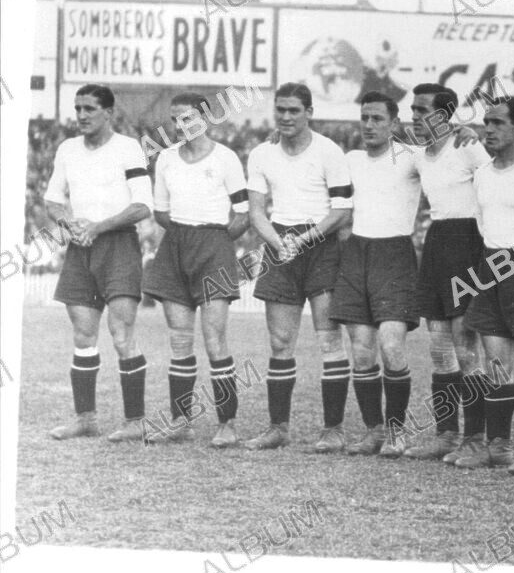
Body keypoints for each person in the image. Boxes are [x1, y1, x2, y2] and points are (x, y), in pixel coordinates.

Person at [244, 82, 354, 451]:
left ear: (309, 112)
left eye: (294, 110)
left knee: (328, 339)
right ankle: (279, 427)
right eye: (281, 110)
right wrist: (278, 243)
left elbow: (341, 210)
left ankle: (334, 430)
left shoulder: (329, 151)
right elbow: (256, 211)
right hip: (280, 244)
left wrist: (303, 240)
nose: (286, 117)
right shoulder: (261, 154)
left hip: (320, 244)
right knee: (280, 341)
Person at [45, 84, 153, 442]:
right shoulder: (67, 149)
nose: (82, 115)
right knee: (83, 334)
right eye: (78, 108)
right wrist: (68, 222)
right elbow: (53, 200)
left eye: (90, 108)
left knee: (122, 335)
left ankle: (135, 421)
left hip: (118, 245)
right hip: (80, 247)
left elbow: (142, 206)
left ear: (109, 112)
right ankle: (85, 418)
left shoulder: (128, 147)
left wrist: (99, 225)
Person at [142, 93, 250, 447]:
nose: (181, 126)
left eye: (188, 118)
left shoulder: (226, 158)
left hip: (214, 246)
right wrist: (185, 234)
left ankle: (227, 424)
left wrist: (215, 240)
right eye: (175, 120)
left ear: (205, 118)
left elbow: (243, 215)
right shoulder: (167, 159)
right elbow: (160, 211)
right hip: (175, 244)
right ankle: (181, 421)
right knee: (179, 339)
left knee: (215, 337)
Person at [401, 84, 492, 462]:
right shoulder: (419, 155)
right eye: (414, 109)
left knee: (466, 345)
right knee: (439, 345)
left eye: (424, 110)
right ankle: (446, 434)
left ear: (446, 114)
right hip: (437, 241)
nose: (416, 116)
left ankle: (475, 438)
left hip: (469, 240)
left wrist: (478, 133)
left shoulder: (468, 146)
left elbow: (498, 174)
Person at [457, 96, 514, 470]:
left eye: (496, 123)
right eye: (485, 122)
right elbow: (482, 223)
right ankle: (498, 445)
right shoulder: (482, 174)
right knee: (496, 363)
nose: (488, 129)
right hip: (490, 265)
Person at [331, 91, 421, 458]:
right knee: (362, 349)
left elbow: (453, 163)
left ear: (395, 123)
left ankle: (397, 432)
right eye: (364, 118)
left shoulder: (413, 159)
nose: (369, 125)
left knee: (392, 344)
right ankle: (374, 431)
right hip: (357, 252)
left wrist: (466, 139)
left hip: (395, 253)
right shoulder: (349, 160)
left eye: (377, 119)